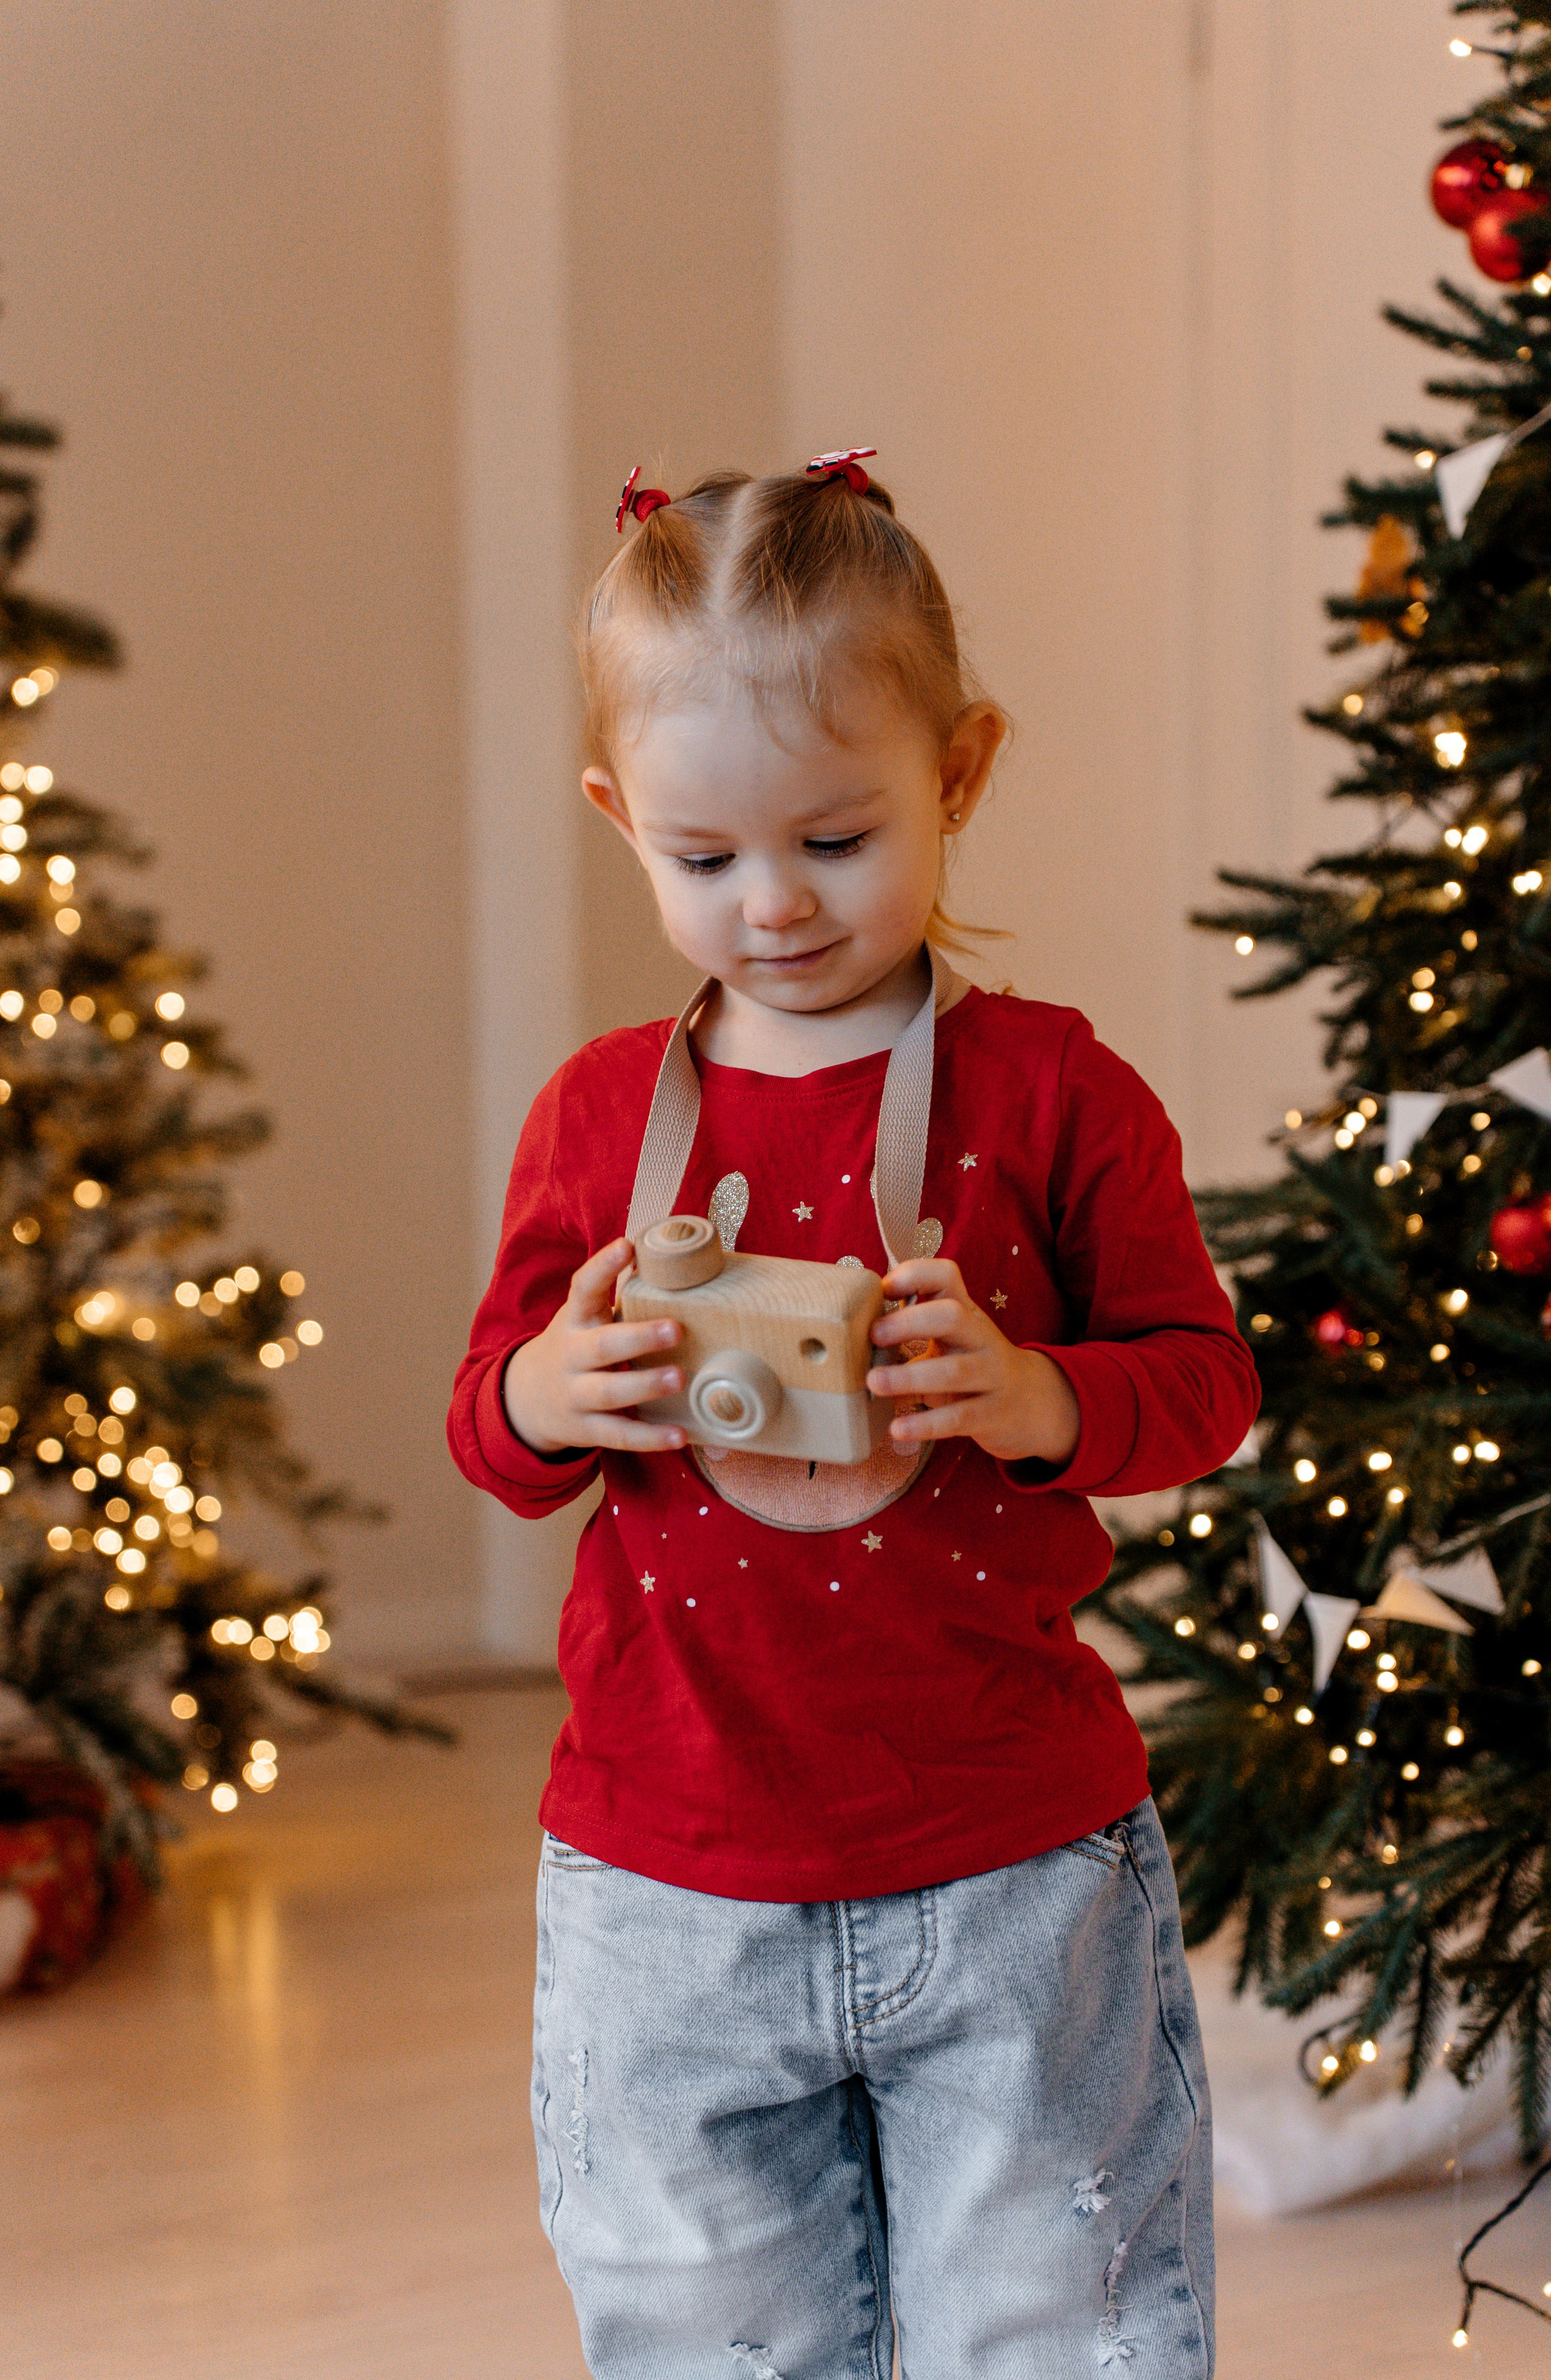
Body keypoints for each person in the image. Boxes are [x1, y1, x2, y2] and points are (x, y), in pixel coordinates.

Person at [448, 452, 1260, 2379]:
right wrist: (556, 1389)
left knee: (1065, 2323)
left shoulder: (1056, 1095)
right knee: (707, 2332)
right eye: (703, 858)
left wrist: (1036, 1394)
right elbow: (493, 1432)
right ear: (617, 816)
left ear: (959, 774)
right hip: (669, 1878)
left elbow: (1204, 1388)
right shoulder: (593, 1117)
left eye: (835, 836)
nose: (775, 904)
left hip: (1013, 1865)